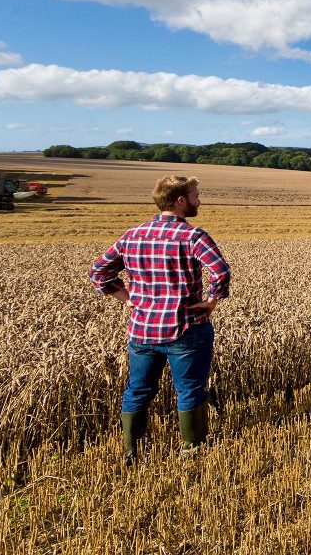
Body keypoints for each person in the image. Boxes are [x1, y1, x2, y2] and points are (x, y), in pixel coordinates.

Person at [89, 175, 231, 465]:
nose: (199, 200)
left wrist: (128, 299)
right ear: (181, 201)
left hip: (142, 330)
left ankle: (132, 452)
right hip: (186, 329)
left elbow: (98, 273)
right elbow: (221, 271)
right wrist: (211, 301)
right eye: (195, 195)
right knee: (189, 390)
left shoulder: (132, 235)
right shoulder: (192, 236)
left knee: (138, 390)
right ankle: (191, 453)